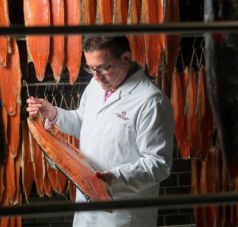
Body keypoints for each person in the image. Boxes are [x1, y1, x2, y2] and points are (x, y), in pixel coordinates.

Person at [26, 36, 174, 227]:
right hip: (86, 206)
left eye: (103, 67)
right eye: (90, 68)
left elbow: (158, 164)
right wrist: (53, 113)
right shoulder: (95, 85)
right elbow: (83, 122)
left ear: (126, 59)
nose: (96, 76)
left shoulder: (151, 101)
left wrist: (114, 178)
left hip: (123, 214)